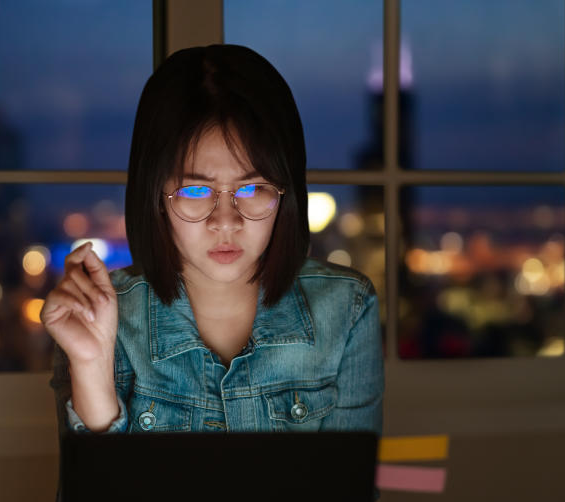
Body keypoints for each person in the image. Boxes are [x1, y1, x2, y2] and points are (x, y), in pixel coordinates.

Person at [43, 44, 383, 436]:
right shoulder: (102, 315)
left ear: (286, 193)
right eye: (194, 192)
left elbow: (348, 492)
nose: (226, 222)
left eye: (254, 188)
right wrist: (90, 363)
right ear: (156, 196)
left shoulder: (346, 309)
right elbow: (93, 497)